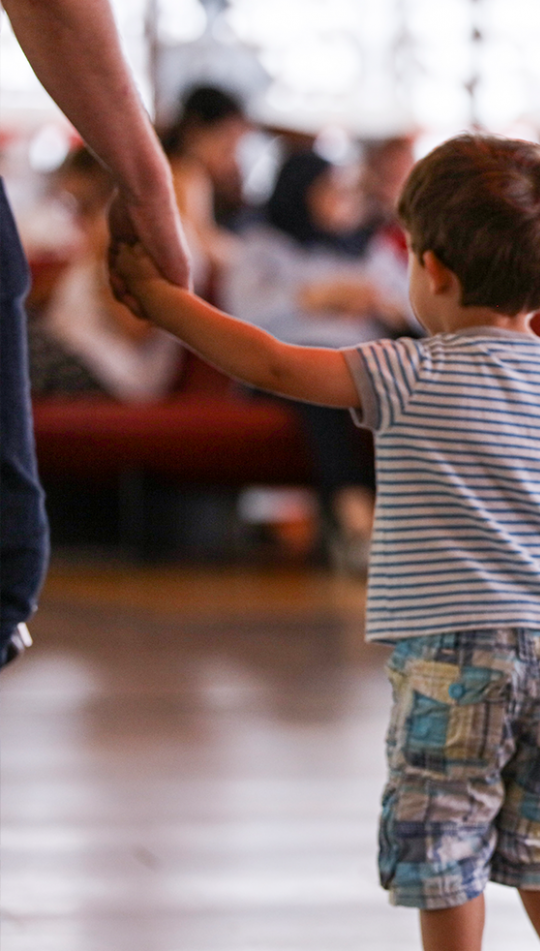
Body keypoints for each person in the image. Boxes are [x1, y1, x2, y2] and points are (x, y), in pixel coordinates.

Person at [111, 132, 540, 951]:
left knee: (444, 844)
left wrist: (162, 302)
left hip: (454, 656)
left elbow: (273, 363)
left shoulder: (407, 369)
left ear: (431, 269)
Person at [1, 0, 193, 669]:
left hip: (104, 369)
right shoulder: (98, 236)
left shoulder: (117, 249)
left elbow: (135, 322)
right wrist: (143, 185)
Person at [224, 149, 412, 568]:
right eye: (331, 191)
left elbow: (415, 307)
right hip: (280, 367)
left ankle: (413, 527)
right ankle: (356, 522)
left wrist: (379, 303)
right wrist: (315, 298)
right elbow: (241, 315)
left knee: (395, 384)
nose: (343, 201)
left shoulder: (368, 248)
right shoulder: (261, 244)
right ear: (301, 192)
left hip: (365, 364)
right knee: (319, 385)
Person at [28, 147, 181, 402]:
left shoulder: (141, 238)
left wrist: (103, 254)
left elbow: (135, 331)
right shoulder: (96, 240)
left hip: (108, 374)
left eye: (81, 204)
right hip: (73, 356)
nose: (76, 215)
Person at [160, 85, 251, 289]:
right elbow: (201, 241)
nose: (233, 159)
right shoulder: (186, 174)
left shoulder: (172, 168)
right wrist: (248, 260)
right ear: (195, 131)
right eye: (228, 145)